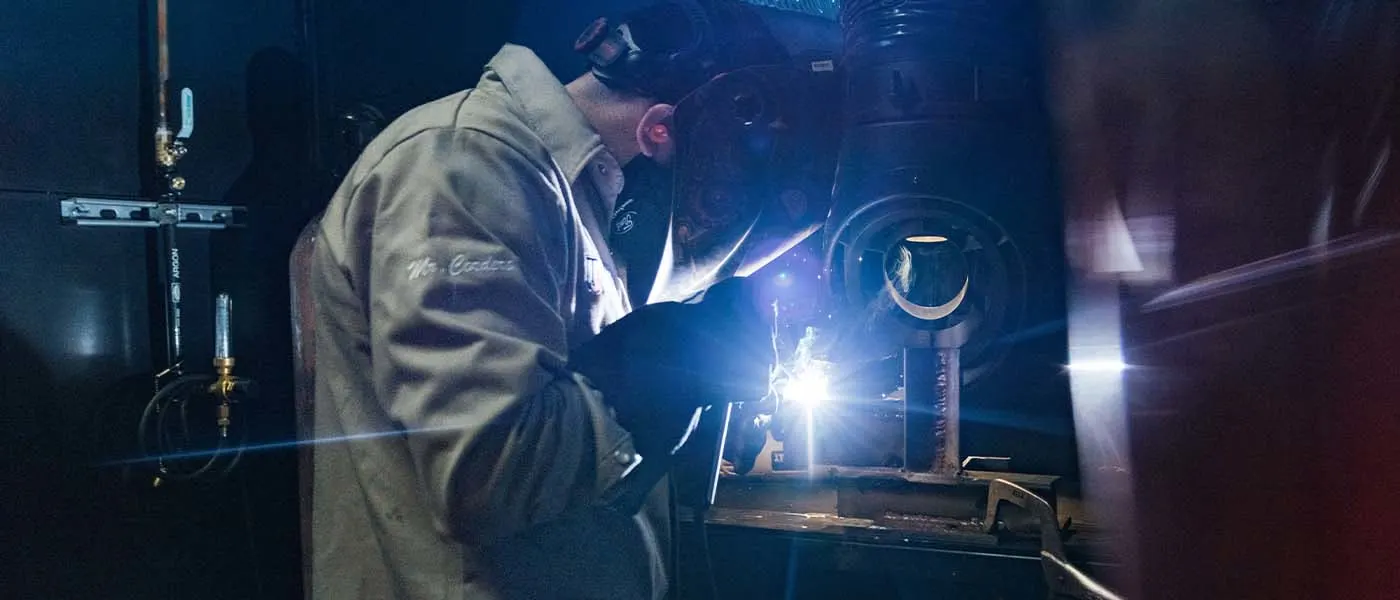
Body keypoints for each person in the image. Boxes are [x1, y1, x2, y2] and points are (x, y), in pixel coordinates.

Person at [305, 2, 820, 598]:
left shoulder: (588, 196)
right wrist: (660, 366)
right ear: (661, 128)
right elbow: (487, 475)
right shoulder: (462, 168)